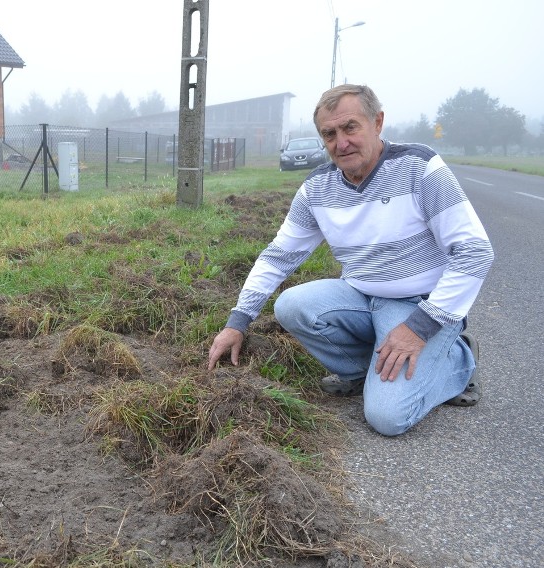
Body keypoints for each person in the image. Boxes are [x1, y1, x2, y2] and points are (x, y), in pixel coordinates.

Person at [207, 84, 494, 437]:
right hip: (359, 297)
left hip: (419, 306)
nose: (340, 143)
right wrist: (237, 322)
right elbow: (278, 257)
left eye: (350, 128)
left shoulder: (419, 168)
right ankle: (365, 370)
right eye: (329, 134)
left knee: (388, 417)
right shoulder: (317, 189)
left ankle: (459, 359)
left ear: (377, 122)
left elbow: (475, 251)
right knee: (293, 305)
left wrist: (419, 328)